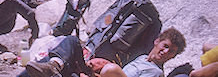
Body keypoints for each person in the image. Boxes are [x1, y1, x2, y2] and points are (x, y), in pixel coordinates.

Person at [24, 27, 186, 77]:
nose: (165, 51)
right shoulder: (142, 58)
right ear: (156, 41)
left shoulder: (156, 74)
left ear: (173, 57)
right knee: (72, 42)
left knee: (111, 69)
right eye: (165, 46)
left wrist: (108, 70)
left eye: (171, 51)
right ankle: (54, 65)